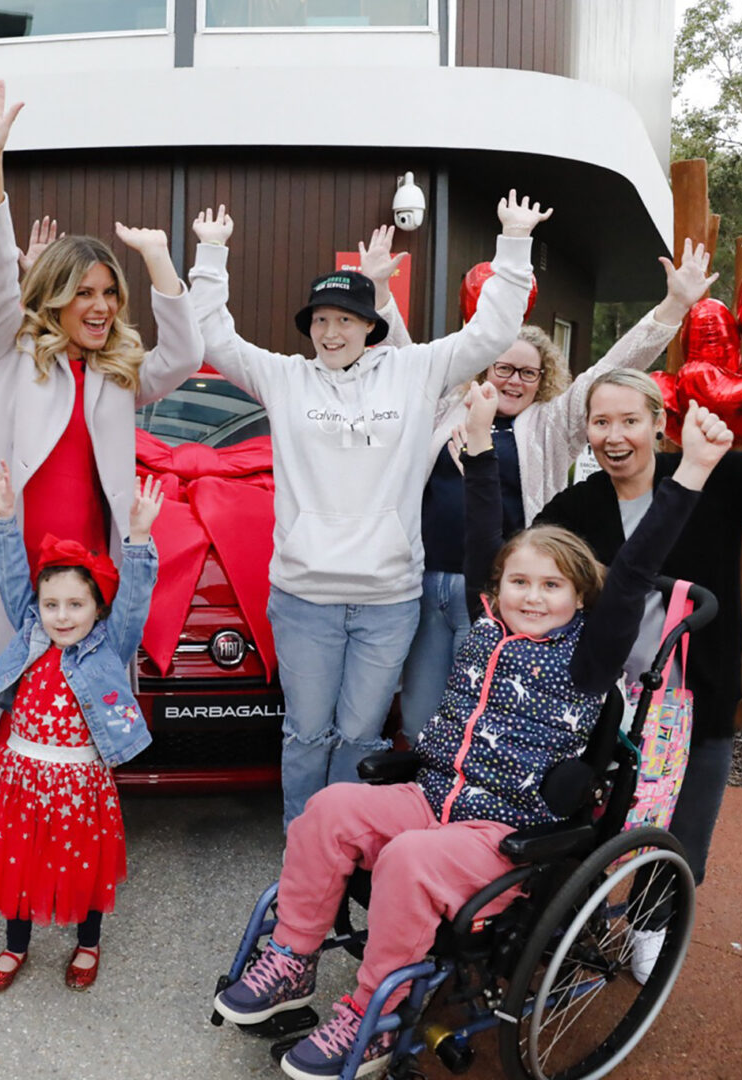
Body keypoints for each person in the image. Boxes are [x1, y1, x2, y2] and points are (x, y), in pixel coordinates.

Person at [212, 385, 732, 1079]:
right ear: (498, 588)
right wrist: (482, 445)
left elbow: (635, 570)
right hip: (433, 796)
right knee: (328, 808)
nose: (532, 596)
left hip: (504, 835)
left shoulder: (587, 654)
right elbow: (483, 535)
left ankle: (372, 1018)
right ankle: (294, 959)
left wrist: (691, 470)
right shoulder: (488, 624)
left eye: (553, 586)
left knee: (406, 862)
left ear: (581, 597)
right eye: (520, 582)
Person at [186, 193, 550, 826]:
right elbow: (215, 337)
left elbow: (491, 333)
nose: (331, 333)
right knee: (306, 734)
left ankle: (342, 842)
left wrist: (513, 242)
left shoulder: (413, 372)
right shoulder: (285, 377)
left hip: (386, 598)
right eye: (321, 321)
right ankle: (305, 843)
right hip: (303, 595)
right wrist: (211, 255)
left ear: (369, 324)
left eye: (345, 320)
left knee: (360, 737)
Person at [534, 308, 742, 980]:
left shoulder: (712, 477)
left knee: (684, 825)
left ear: (659, 421)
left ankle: (653, 922)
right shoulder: (577, 507)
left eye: (628, 420)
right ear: (587, 432)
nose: (614, 435)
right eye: (601, 422)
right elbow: (530, 572)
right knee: (582, 816)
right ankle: (572, 926)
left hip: (694, 693)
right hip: (604, 702)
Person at [0, 79, 204, 767]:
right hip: (9, 548)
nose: (102, 305)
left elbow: (187, 354)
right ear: (54, 296)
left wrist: (158, 260)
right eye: (84, 291)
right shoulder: (11, 350)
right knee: (3, 683)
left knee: (73, 695)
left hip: (86, 554)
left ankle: (68, 800)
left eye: (110, 292)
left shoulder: (116, 371)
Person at [398, 239, 721, 739]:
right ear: (485, 367)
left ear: (542, 379)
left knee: (481, 711)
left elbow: (612, 364)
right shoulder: (448, 411)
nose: (514, 379)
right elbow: (408, 365)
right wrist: (380, 295)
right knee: (420, 713)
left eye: (529, 371)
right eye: (503, 366)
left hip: (492, 589)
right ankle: (436, 794)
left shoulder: (549, 425)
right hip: (426, 582)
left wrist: (673, 307)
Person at [0, 462, 163, 993]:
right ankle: (15, 945)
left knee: (82, 868)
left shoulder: (108, 645)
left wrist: (139, 538)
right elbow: (11, 578)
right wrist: (5, 516)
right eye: (51, 604)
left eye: (75, 604)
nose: (61, 615)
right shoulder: (31, 633)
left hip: (78, 784)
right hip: (20, 779)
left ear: (98, 608)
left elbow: (137, 602)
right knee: (19, 866)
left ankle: (88, 942)